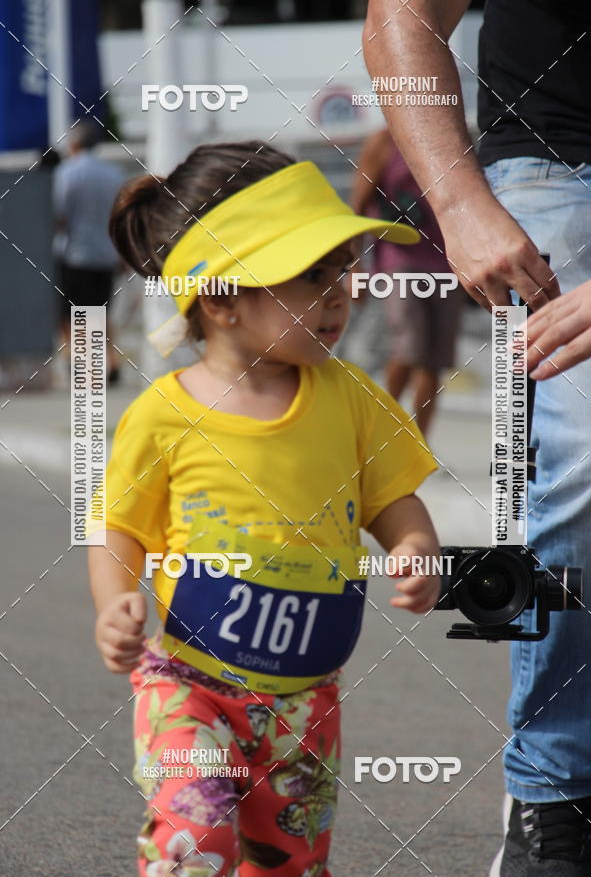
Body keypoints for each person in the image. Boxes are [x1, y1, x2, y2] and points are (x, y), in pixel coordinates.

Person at [87, 142, 442, 877]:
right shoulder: (162, 416)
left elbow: (393, 501)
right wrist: (114, 604)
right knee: (196, 844)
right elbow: (119, 527)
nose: (341, 291)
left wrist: (414, 548)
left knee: (288, 863)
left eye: (342, 268)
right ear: (220, 298)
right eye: (312, 276)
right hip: (190, 685)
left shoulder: (351, 399)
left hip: (305, 703)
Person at [364, 0, 591, 874]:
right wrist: (457, 205)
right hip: (559, 172)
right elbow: (403, 15)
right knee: (589, 456)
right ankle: (555, 786)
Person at [351, 128, 463, 435]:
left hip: (445, 263)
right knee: (408, 350)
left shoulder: (447, 137)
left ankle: (419, 444)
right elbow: (358, 208)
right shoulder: (383, 142)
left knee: (434, 361)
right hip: (400, 262)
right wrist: (355, 268)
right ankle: (382, 431)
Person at [53, 119, 124, 382]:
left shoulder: (67, 173)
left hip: (75, 253)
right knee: (101, 312)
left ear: (73, 144)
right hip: (106, 254)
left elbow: (59, 215)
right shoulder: (114, 174)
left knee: (73, 313)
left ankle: (79, 362)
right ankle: (111, 363)